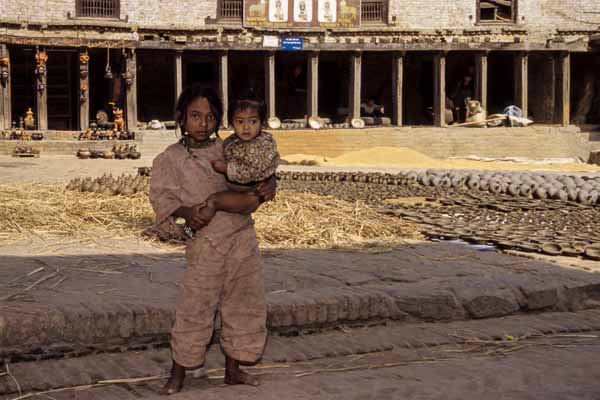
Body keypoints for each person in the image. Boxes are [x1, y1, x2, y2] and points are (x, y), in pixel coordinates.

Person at [149, 85, 276, 395]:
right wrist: (185, 211)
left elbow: (256, 175)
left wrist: (271, 182)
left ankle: (234, 369)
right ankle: (179, 371)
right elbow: (162, 198)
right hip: (205, 243)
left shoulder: (231, 149)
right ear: (180, 118)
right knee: (195, 307)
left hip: (242, 237)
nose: (202, 123)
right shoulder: (170, 158)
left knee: (244, 304)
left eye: (210, 117)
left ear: (221, 120)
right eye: (195, 116)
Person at [211, 94, 280, 193]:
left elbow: (252, 171)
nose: (246, 127)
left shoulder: (263, 144)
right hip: (234, 184)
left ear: (262, 123)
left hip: (252, 186)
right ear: (232, 123)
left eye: (253, 121)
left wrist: (226, 169)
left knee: (215, 201)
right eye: (240, 122)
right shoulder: (231, 141)